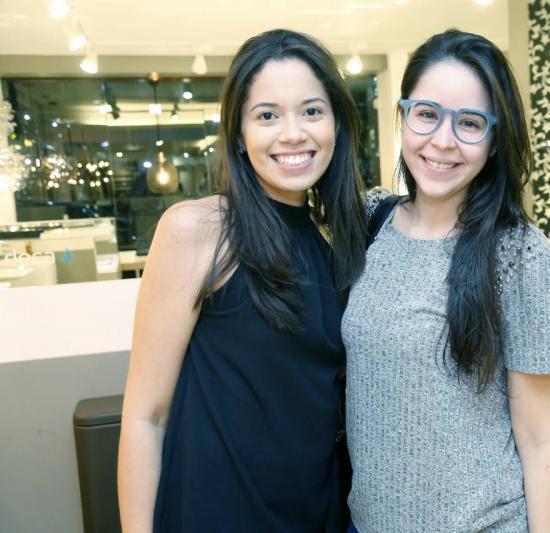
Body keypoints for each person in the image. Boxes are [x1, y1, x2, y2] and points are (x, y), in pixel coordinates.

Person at [117, 29, 366, 533]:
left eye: (311, 111)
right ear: (238, 133)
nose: (292, 133)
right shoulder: (199, 230)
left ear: (336, 123)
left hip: (318, 510)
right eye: (267, 115)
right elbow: (146, 417)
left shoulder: (337, 238)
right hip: (218, 512)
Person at [343, 29, 550, 532]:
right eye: (427, 114)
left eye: (469, 123)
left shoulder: (519, 255)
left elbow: (542, 439)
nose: (443, 141)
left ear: (494, 140)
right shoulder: (370, 221)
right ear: (403, 117)